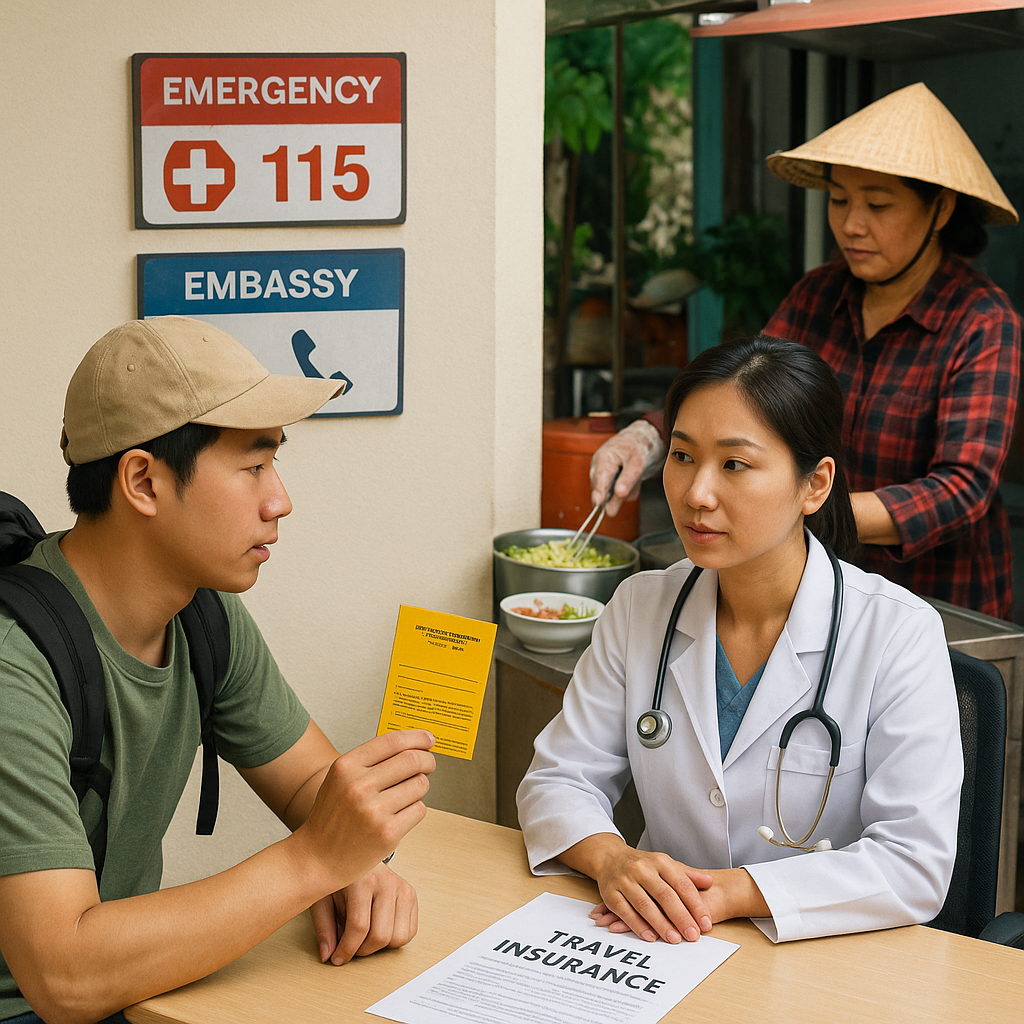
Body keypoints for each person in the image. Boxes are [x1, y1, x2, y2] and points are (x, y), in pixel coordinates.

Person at [0, 317, 436, 1024]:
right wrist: (315, 862)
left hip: (136, 996)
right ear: (143, 480)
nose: (280, 500)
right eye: (253, 466)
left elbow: (310, 787)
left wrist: (361, 864)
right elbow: (63, 977)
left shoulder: (202, 614)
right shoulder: (13, 669)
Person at [519, 336, 962, 944]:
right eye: (681, 456)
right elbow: (558, 780)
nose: (697, 494)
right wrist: (612, 860)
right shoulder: (641, 607)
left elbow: (915, 863)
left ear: (815, 485)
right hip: (658, 945)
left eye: (734, 464)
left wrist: (733, 891)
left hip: (818, 959)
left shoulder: (897, 634)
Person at [591, 83, 1021, 620]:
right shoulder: (819, 293)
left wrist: (795, 507)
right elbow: (742, 393)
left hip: (935, 600)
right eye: (839, 200)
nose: (850, 224)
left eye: (878, 205)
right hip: (813, 593)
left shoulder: (982, 320)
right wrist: (650, 436)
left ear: (940, 209)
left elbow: (961, 489)